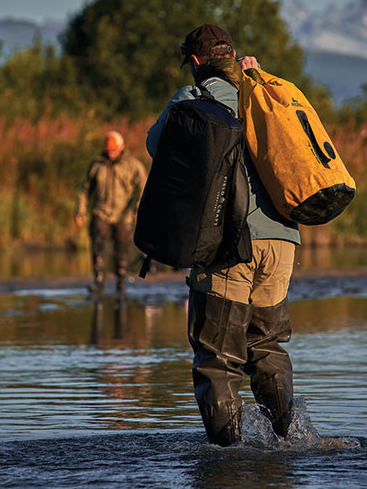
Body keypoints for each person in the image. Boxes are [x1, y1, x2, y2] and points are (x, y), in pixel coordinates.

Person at [146, 24, 301, 446]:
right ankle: (290, 441)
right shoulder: (265, 89)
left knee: (217, 358)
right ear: (233, 55)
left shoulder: (192, 98)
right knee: (266, 347)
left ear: (196, 62)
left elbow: (154, 145)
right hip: (283, 241)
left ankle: (227, 458)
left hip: (230, 246)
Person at [76, 130, 147, 293]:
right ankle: (98, 281)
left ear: (121, 148)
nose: (111, 153)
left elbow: (144, 187)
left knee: (122, 248)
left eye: (114, 150)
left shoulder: (133, 165)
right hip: (101, 212)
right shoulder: (97, 165)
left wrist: (138, 208)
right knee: (97, 243)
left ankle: (121, 282)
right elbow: (85, 190)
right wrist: (80, 211)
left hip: (123, 215)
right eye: (109, 150)